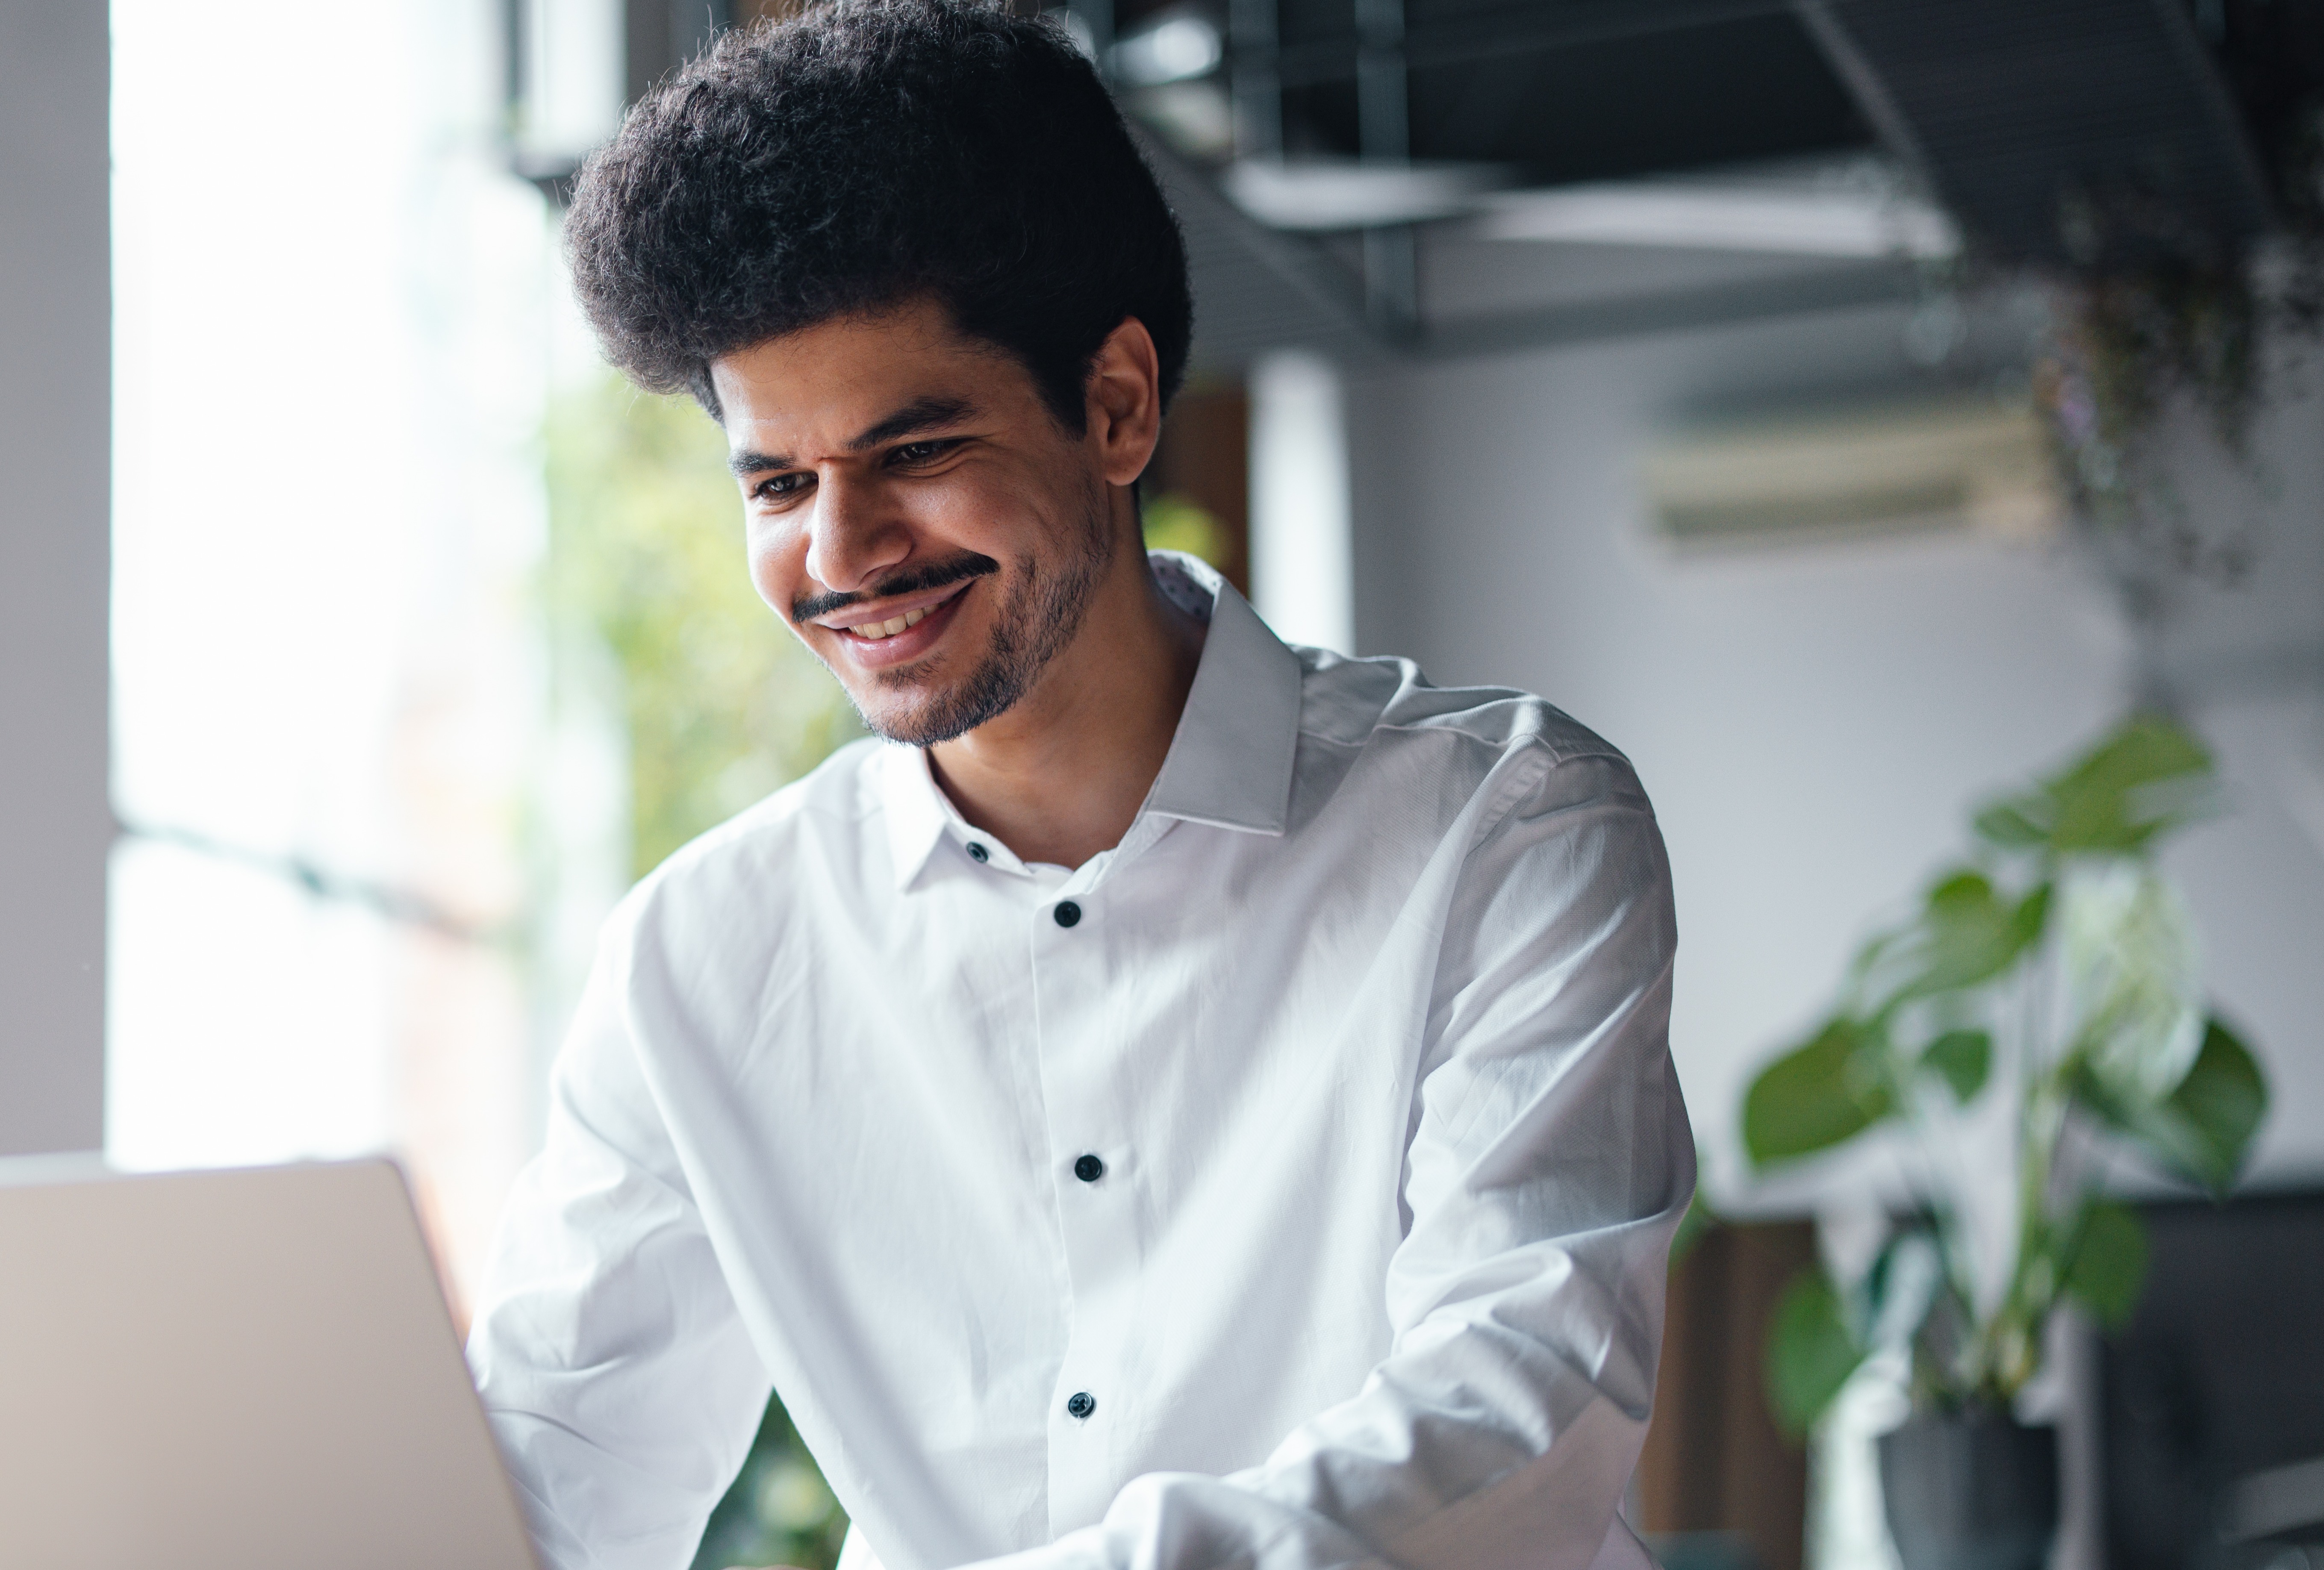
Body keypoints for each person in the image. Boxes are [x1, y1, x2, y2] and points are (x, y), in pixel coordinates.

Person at [463, 6, 1696, 1570]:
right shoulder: (701, 956)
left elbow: (1515, 1421)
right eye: (778, 483)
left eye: (911, 450)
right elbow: (551, 1471)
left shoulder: (1503, 827)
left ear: (1114, 406)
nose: (837, 558)